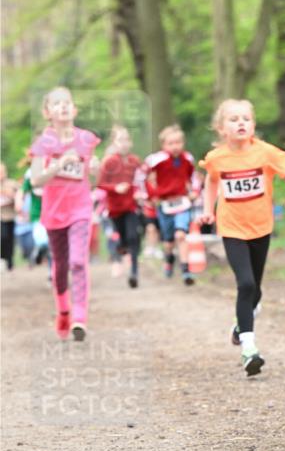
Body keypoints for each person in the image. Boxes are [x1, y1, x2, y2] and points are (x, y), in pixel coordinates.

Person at [200, 98, 285, 376]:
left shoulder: (265, 153)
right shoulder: (217, 158)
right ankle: (249, 349)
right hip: (231, 228)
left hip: (261, 227)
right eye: (234, 119)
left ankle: (240, 325)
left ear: (253, 125)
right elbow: (211, 182)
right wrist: (207, 210)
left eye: (246, 119)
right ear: (221, 128)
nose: (241, 123)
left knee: (255, 290)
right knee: (245, 284)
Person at [28, 87, 100, 340]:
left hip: (80, 208)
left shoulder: (87, 139)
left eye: (67, 102)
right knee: (60, 266)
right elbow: (36, 180)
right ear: (47, 112)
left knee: (78, 262)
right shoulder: (43, 143)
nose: (63, 106)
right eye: (57, 104)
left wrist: (96, 169)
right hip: (54, 211)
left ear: (74, 109)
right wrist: (58, 164)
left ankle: (79, 318)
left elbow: (94, 180)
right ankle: (63, 310)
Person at [144, 125, 199, 285]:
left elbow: (193, 177)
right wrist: (151, 195)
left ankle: (185, 271)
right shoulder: (156, 159)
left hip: (182, 202)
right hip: (165, 204)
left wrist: (195, 191)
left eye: (178, 142)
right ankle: (169, 258)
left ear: (183, 143)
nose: (175, 146)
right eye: (171, 143)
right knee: (168, 242)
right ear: (163, 145)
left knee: (181, 235)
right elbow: (142, 176)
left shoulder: (187, 159)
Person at [97, 125, 143, 288]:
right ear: (114, 143)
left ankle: (134, 272)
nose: (124, 143)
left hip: (131, 206)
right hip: (114, 209)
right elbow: (100, 183)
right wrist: (115, 188)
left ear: (131, 142)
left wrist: (139, 192)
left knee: (133, 237)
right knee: (121, 240)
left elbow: (140, 180)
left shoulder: (135, 161)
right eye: (120, 140)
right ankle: (120, 253)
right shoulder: (109, 162)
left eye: (127, 140)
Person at [0, 162, 18, 270]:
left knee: (9, 239)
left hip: (10, 215)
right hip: (1, 216)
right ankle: (2, 258)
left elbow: (19, 195)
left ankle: (10, 261)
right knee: (2, 237)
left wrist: (10, 194)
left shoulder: (12, 183)